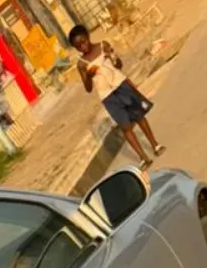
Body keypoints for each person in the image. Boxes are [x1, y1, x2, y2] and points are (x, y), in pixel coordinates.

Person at [69, 23, 165, 169]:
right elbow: (88, 89)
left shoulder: (102, 45)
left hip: (121, 85)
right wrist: (88, 76)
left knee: (139, 116)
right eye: (78, 46)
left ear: (88, 37)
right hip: (107, 96)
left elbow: (119, 65)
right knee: (126, 126)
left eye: (83, 42)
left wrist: (111, 55)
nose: (83, 47)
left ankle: (155, 145)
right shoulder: (81, 64)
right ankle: (143, 157)